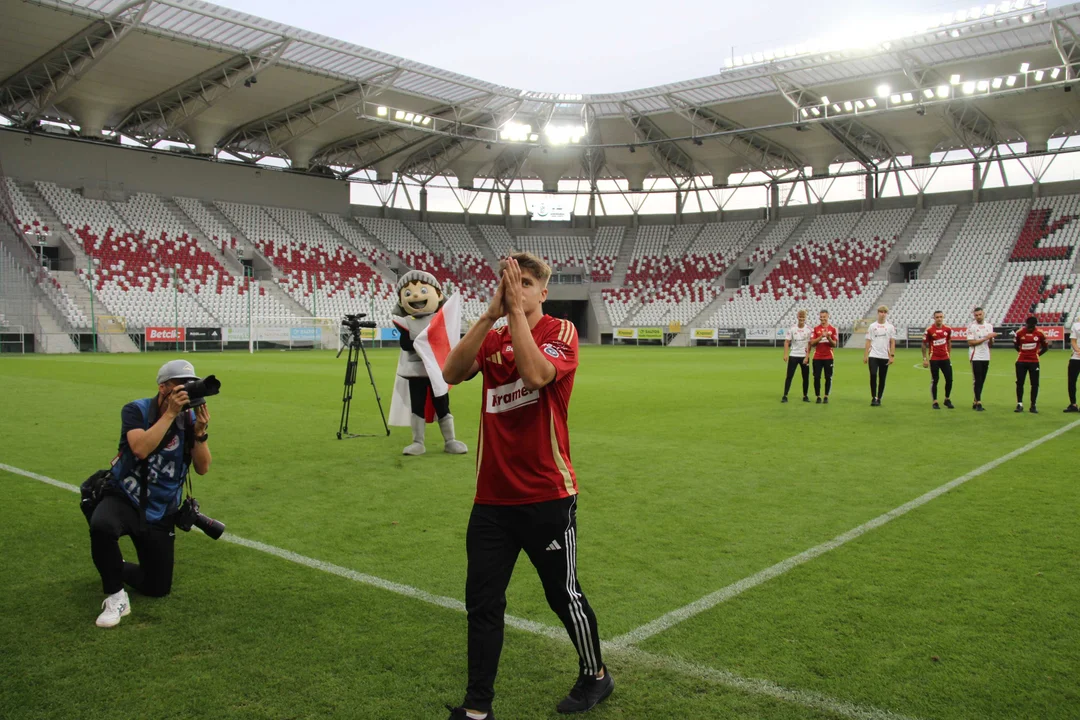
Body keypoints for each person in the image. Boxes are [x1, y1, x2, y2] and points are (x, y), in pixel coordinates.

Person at [441, 253, 611, 720]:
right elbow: (451, 374)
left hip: (547, 494)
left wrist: (514, 311)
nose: (516, 289)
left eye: (526, 282)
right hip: (492, 499)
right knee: (482, 603)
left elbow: (536, 376)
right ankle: (478, 708)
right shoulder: (493, 334)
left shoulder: (560, 332)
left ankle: (596, 675)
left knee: (563, 595)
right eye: (509, 282)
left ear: (543, 292)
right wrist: (488, 315)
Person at [88, 360, 212, 628]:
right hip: (126, 496)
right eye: (180, 385)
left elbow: (202, 468)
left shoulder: (189, 419)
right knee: (102, 526)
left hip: (162, 509)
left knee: (157, 588)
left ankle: (112, 563)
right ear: (163, 387)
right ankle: (116, 597)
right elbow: (140, 449)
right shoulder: (136, 410)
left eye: (190, 385)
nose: (186, 391)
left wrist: (200, 433)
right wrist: (170, 414)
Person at [1014, 315, 1049, 413]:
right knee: (1020, 382)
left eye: (1032, 327)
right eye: (1029, 326)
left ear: (1035, 325)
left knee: (1035, 383)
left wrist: (1037, 355)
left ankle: (1033, 405)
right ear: (1026, 324)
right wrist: (1022, 353)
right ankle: (1019, 404)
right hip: (1021, 361)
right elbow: (1016, 345)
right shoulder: (1019, 332)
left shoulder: (1040, 333)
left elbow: (1045, 347)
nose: (1030, 328)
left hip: (1034, 362)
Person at [863, 305, 896, 406]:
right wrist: (865, 355)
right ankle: (874, 397)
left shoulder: (890, 327)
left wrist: (892, 355)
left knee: (882, 377)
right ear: (878, 313)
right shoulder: (872, 326)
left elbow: (892, 342)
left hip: (884, 356)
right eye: (881, 312)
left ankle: (879, 397)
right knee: (873, 375)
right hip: (873, 355)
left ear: (886, 314)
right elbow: (868, 341)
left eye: (884, 312)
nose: (883, 314)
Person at [923, 311, 954, 409]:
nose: (939, 319)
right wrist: (925, 358)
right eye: (937, 317)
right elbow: (924, 344)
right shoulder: (929, 330)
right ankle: (935, 401)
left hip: (945, 358)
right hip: (934, 358)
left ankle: (947, 399)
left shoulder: (947, 329)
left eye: (941, 317)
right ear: (934, 318)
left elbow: (949, 341)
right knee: (935, 380)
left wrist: (948, 354)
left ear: (943, 317)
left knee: (949, 379)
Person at [967, 307, 996, 411]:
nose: (978, 317)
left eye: (980, 314)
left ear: (983, 314)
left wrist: (991, 338)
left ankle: (975, 400)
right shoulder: (972, 327)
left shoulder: (989, 326)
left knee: (982, 379)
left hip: (986, 355)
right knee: (977, 379)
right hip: (975, 356)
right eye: (976, 315)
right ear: (974, 316)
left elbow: (990, 344)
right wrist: (985, 338)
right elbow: (970, 342)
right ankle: (979, 402)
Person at [782, 309, 812, 403]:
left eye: (803, 317)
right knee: (789, 376)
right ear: (797, 317)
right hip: (794, 355)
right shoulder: (792, 328)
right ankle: (785, 395)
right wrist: (785, 354)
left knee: (805, 377)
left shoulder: (809, 329)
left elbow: (810, 344)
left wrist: (807, 356)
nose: (801, 319)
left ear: (805, 318)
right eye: (800, 317)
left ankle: (805, 395)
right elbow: (787, 342)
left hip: (804, 356)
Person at [810, 310, 838, 404]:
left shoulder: (832, 329)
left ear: (828, 317)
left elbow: (834, 344)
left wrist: (828, 337)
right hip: (817, 357)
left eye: (824, 317)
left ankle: (826, 396)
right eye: (821, 317)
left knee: (828, 377)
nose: (822, 318)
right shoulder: (815, 329)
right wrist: (821, 336)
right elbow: (812, 343)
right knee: (816, 377)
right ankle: (818, 396)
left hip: (828, 357)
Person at [1065, 314, 1080, 412]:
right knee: (1071, 381)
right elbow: (1073, 341)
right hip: (1076, 357)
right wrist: (1078, 350)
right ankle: (1073, 404)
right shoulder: (1076, 326)